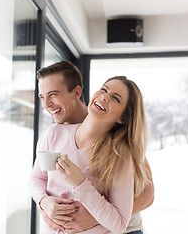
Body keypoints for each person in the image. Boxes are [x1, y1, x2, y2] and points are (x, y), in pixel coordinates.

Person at [29, 62, 153, 233]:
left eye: (53, 95)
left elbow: (147, 194)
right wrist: (44, 203)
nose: (46, 105)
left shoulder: (118, 147)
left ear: (77, 92)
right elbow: (40, 178)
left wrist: (93, 216)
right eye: (42, 97)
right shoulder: (55, 132)